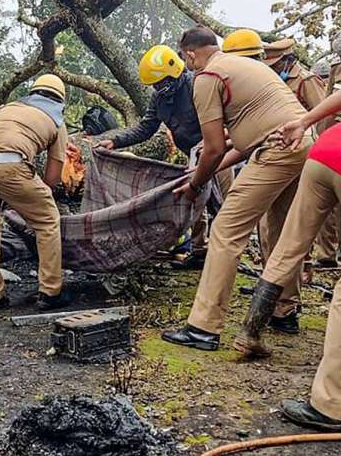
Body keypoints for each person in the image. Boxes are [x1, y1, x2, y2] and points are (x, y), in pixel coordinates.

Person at [161, 26, 312, 351]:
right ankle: (283, 311)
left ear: (189, 54)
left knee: (226, 230)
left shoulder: (207, 77)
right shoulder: (247, 67)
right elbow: (242, 143)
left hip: (277, 148)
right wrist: (197, 175)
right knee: (280, 229)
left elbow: (213, 148)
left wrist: (195, 184)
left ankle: (203, 327)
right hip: (302, 144)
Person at [237, 90, 341, 430]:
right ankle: (331, 403)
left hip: (324, 151)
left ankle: (251, 330)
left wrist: (303, 122)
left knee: (288, 246)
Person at [95, 45, 234, 269]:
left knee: (225, 203)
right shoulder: (159, 99)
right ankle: (200, 251)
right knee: (196, 200)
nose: (159, 88)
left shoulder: (197, 85)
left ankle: (226, 255)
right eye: (156, 85)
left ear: (174, 72)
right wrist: (116, 141)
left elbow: (224, 118)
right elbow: (146, 128)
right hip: (190, 155)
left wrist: (215, 143)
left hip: (218, 150)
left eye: (162, 82)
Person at [0, 74, 69, 311]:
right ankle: (51, 291)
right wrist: (29, 196)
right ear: (61, 99)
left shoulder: (10, 107)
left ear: (33, 92)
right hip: (8, 165)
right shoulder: (56, 120)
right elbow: (53, 178)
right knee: (48, 221)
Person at [265, 38, 341, 268]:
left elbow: (325, 111)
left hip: (313, 148)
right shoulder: (273, 82)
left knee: (315, 218)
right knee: (292, 225)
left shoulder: (306, 80)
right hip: (310, 150)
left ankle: (319, 262)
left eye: (277, 65)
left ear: (288, 61)